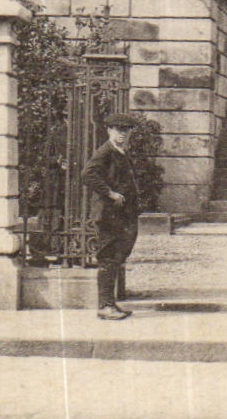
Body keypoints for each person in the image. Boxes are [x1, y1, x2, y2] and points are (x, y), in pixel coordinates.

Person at [81, 113, 141, 321]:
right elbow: (87, 174)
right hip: (108, 214)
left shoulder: (120, 152)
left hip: (120, 215)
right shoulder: (104, 152)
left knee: (115, 258)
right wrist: (109, 193)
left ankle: (110, 302)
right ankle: (104, 306)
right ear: (109, 131)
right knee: (108, 259)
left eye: (126, 130)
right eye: (117, 129)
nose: (122, 134)